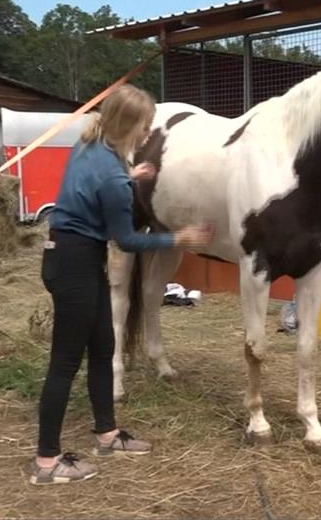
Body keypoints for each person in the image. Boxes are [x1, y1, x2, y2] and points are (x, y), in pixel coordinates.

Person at [30, 84, 212, 485]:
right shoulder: (111, 173)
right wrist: (179, 239)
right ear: (129, 125)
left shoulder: (91, 144)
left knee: (103, 347)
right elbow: (127, 240)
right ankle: (47, 462)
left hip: (71, 256)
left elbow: (98, 182)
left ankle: (107, 434)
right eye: (145, 126)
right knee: (64, 363)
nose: (148, 134)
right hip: (73, 262)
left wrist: (133, 176)